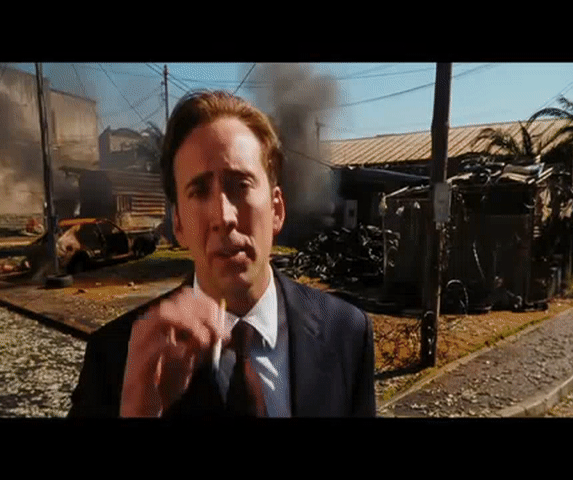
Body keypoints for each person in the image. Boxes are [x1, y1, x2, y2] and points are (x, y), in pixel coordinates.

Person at [68, 90, 375, 418]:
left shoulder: (346, 332)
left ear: (276, 209)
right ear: (178, 224)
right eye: (199, 190)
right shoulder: (117, 358)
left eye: (240, 185)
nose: (223, 216)